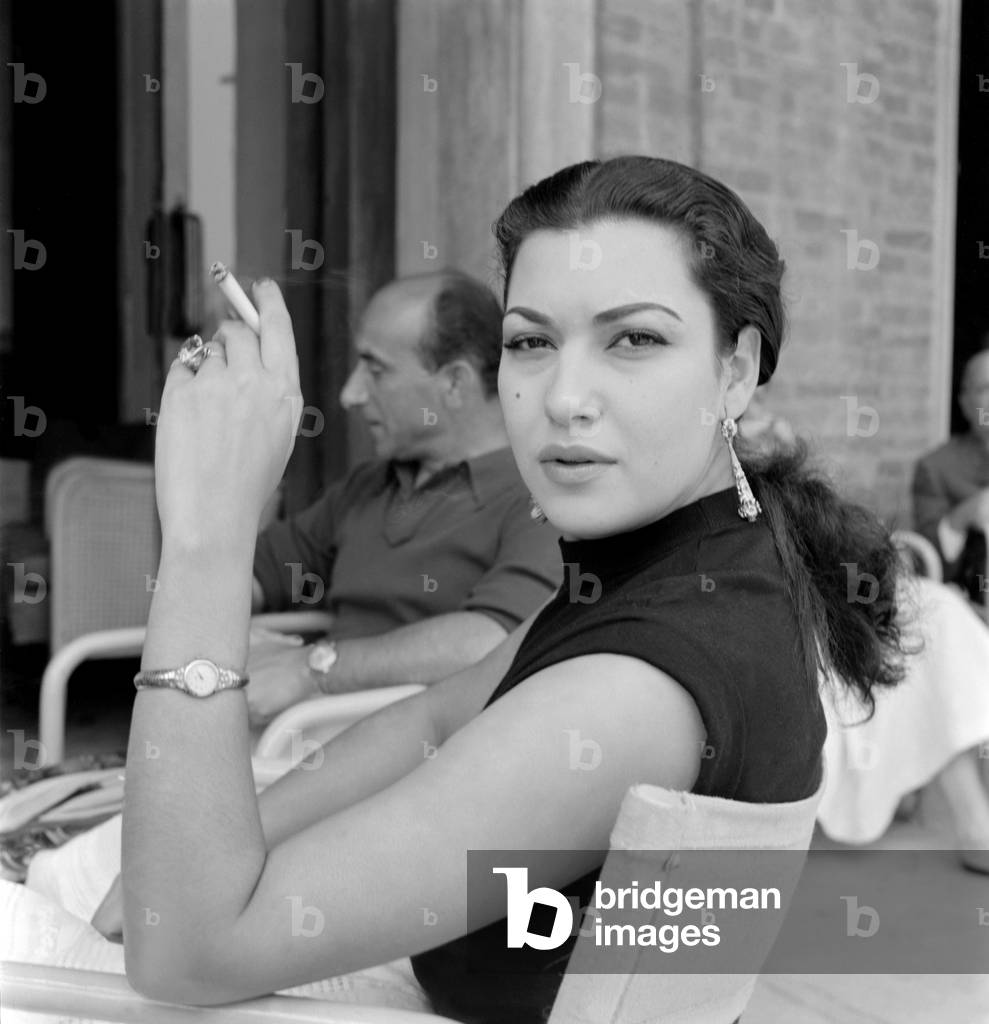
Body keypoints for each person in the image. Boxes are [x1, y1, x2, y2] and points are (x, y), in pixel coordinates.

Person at [117, 156, 910, 1022]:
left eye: (634, 339)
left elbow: (186, 951)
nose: (564, 397)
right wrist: (228, 846)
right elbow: (431, 717)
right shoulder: (684, 561)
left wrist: (206, 538)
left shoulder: (632, 692)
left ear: (735, 369)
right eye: (531, 341)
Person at [245, 270, 563, 725]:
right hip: (294, 741)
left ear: (454, 383)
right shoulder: (368, 486)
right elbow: (257, 572)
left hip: (420, 761)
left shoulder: (540, 495)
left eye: (375, 370)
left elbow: (491, 639)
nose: (349, 394)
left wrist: (312, 668)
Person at [740, 394, 989, 874]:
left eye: (763, 409)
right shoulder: (699, 466)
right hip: (777, 597)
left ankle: (974, 817)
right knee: (871, 639)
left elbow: (841, 540)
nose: (762, 420)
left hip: (837, 590)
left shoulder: (785, 459)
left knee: (936, 617)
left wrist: (794, 472)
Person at [912, 345, 989, 602]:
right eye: (985, 388)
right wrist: (965, 515)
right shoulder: (935, 467)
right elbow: (925, 565)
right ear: (965, 402)